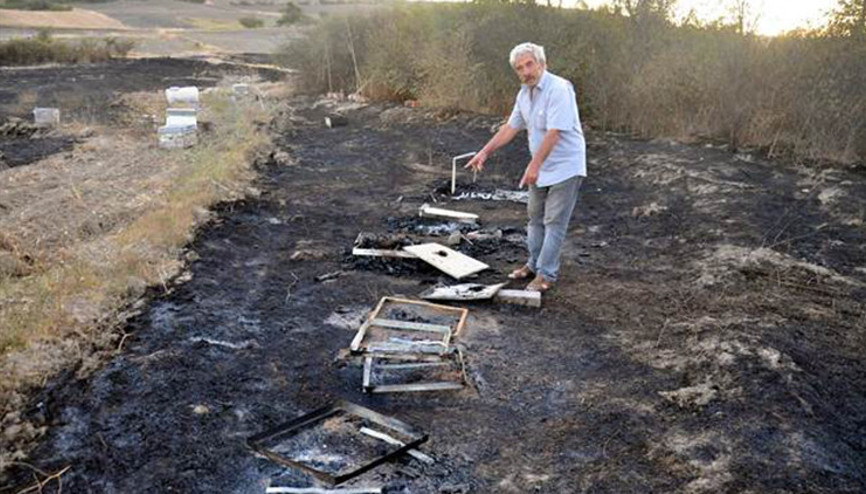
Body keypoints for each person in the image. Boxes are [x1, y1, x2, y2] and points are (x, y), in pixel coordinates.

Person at [465, 42, 586, 293]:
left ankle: (546, 275)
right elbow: (510, 127)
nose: (525, 71)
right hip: (540, 166)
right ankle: (533, 264)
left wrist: (534, 164)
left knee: (554, 221)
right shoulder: (524, 95)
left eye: (529, 64)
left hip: (566, 165)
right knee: (534, 218)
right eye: (519, 68)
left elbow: (554, 133)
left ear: (542, 63)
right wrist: (484, 152)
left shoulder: (559, 89)